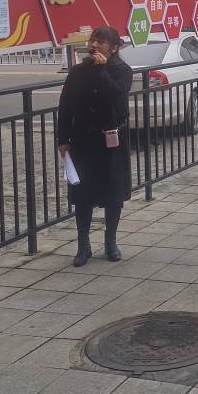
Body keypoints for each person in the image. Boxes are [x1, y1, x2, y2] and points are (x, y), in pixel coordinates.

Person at [57, 26, 134, 267]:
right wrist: (63, 139)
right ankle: (83, 245)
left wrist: (102, 70)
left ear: (114, 47)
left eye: (100, 42)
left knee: (113, 193)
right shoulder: (78, 71)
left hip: (111, 139)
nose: (94, 45)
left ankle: (111, 242)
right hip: (82, 139)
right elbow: (65, 105)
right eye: (92, 41)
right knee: (82, 194)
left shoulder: (122, 70)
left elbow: (117, 95)